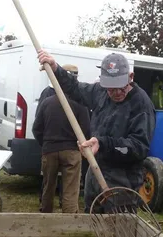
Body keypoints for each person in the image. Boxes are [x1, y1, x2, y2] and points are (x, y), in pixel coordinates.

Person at [37, 51, 155, 213]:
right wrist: (56, 68)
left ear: (131, 77)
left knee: (118, 232)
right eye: (110, 89)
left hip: (122, 184)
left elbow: (139, 147)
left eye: (120, 87)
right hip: (95, 177)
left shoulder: (141, 104)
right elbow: (75, 88)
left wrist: (103, 143)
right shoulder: (99, 92)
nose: (115, 93)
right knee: (91, 229)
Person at [33, 90, 90, 213]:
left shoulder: (46, 103)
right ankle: (69, 223)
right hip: (71, 151)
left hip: (49, 150)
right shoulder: (80, 103)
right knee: (71, 188)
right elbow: (86, 130)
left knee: (48, 186)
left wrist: (46, 144)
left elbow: (36, 128)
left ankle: (45, 217)